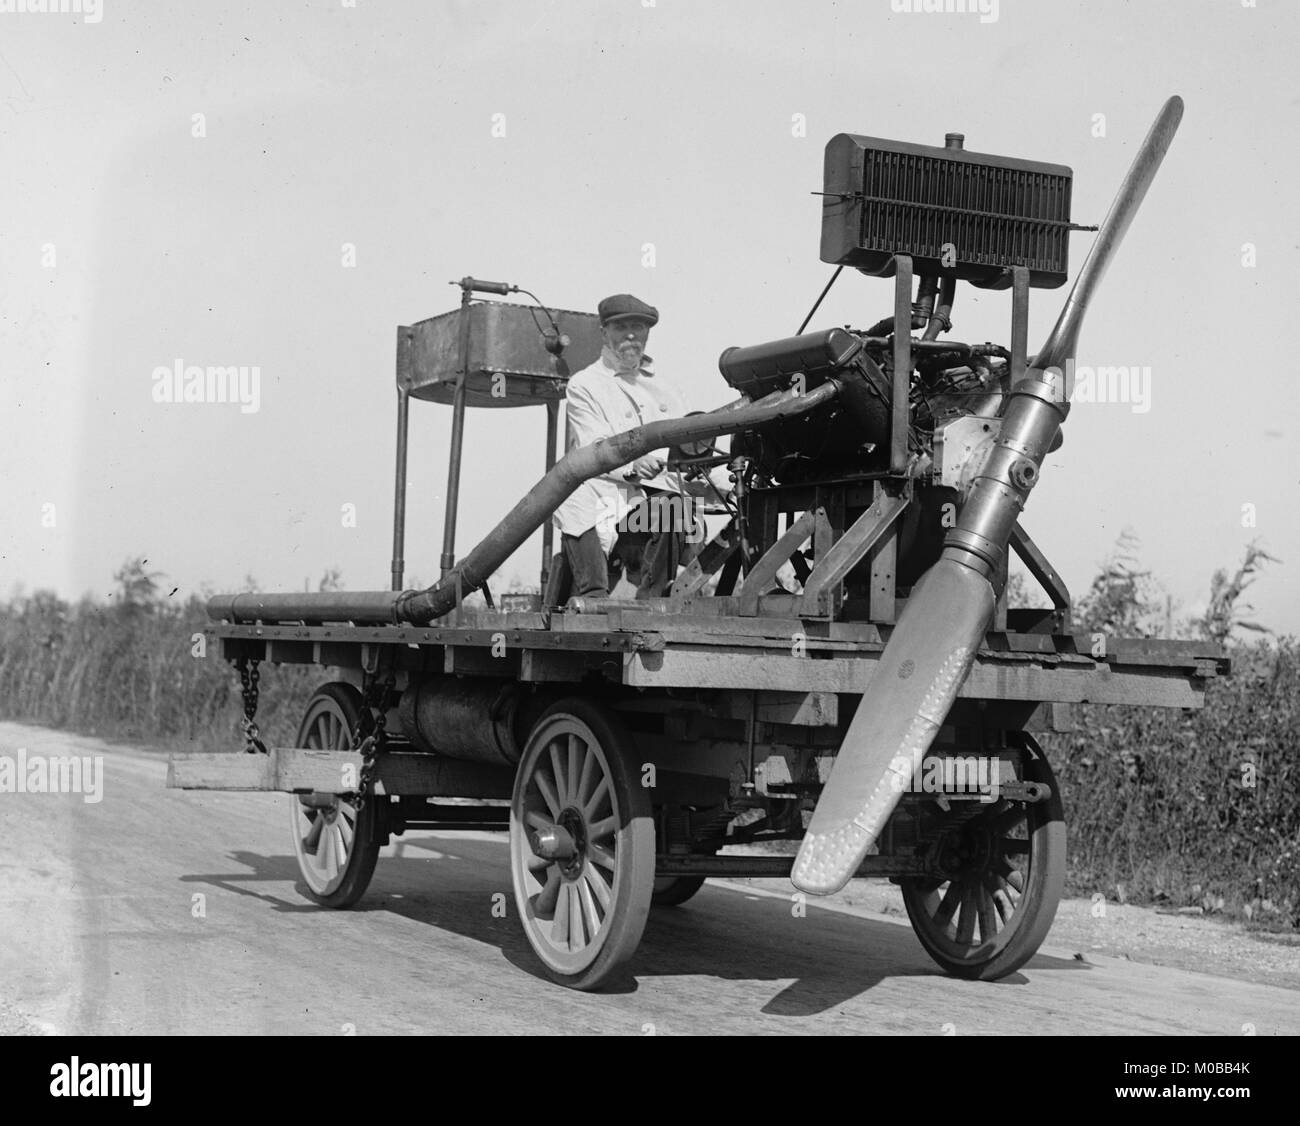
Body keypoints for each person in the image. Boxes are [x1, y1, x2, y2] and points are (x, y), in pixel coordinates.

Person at [552, 294, 711, 601]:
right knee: (571, 497)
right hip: (607, 492)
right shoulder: (585, 384)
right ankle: (592, 593)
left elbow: (691, 446)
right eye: (620, 327)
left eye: (638, 327)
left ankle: (651, 602)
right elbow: (592, 446)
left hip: (660, 498)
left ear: (647, 333)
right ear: (604, 332)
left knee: (674, 507)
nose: (630, 335)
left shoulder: (668, 389)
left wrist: (723, 481)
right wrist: (634, 464)